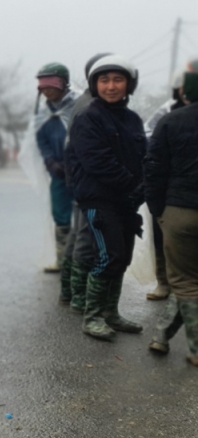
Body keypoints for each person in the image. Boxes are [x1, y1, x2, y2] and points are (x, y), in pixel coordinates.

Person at [68, 55, 147, 340]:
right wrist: (133, 185)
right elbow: (97, 162)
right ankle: (93, 317)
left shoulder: (132, 119)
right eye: (104, 80)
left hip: (126, 201)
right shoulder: (89, 117)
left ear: (128, 84)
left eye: (118, 80)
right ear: (95, 84)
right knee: (108, 256)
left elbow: (143, 158)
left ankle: (111, 312)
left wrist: (142, 188)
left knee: (123, 258)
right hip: (100, 200)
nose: (111, 86)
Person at [145, 62, 198, 360]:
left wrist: (159, 212)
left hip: (180, 212)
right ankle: (162, 335)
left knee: (185, 280)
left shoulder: (171, 121)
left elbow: (153, 170)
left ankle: (185, 344)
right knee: (190, 279)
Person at [60, 52, 111, 311]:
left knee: (78, 237)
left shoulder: (87, 102)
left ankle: (69, 291)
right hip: (88, 184)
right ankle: (78, 296)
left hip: (80, 182)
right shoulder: (90, 106)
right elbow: (77, 150)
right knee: (85, 238)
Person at [141, 70, 191, 300]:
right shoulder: (167, 112)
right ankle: (164, 281)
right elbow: (149, 140)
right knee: (163, 239)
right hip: (171, 192)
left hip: (181, 196)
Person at [33, 63, 78, 273]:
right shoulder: (44, 113)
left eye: (50, 84)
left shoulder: (78, 106)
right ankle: (63, 260)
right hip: (58, 172)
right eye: (42, 86)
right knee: (60, 215)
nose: (46, 90)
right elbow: (41, 139)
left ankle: (83, 261)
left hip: (81, 172)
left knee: (85, 217)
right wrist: (50, 161)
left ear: (63, 84)